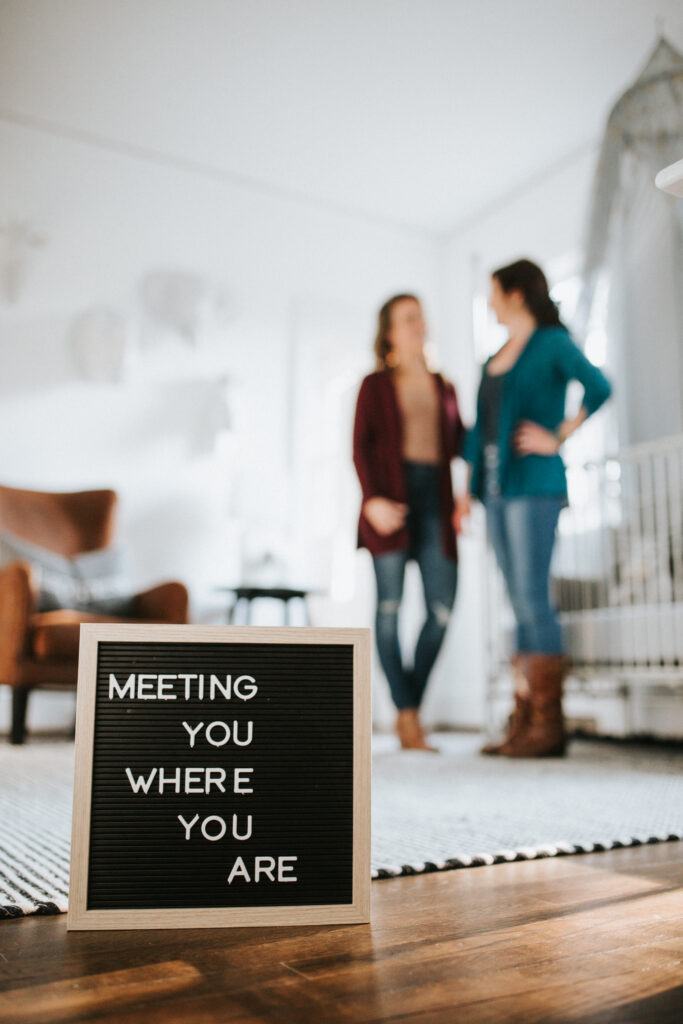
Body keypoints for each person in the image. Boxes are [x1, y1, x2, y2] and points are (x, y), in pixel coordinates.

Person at [455, 259, 612, 758]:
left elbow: (599, 386)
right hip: (497, 490)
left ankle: (548, 722)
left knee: (531, 597)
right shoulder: (492, 358)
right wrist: (465, 488)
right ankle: (524, 717)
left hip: (536, 486)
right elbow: (480, 430)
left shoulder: (551, 343)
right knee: (514, 601)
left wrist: (559, 435)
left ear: (516, 293)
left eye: (494, 291)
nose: (490, 301)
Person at [353, 293, 465, 751]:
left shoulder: (445, 386)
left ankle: (408, 708)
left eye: (421, 317)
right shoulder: (374, 384)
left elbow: (461, 445)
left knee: (441, 609)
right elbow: (359, 447)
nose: (420, 324)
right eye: (408, 319)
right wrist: (370, 501)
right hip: (390, 501)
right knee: (389, 610)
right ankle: (407, 717)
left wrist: (466, 494)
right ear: (390, 332)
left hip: (436, 499)